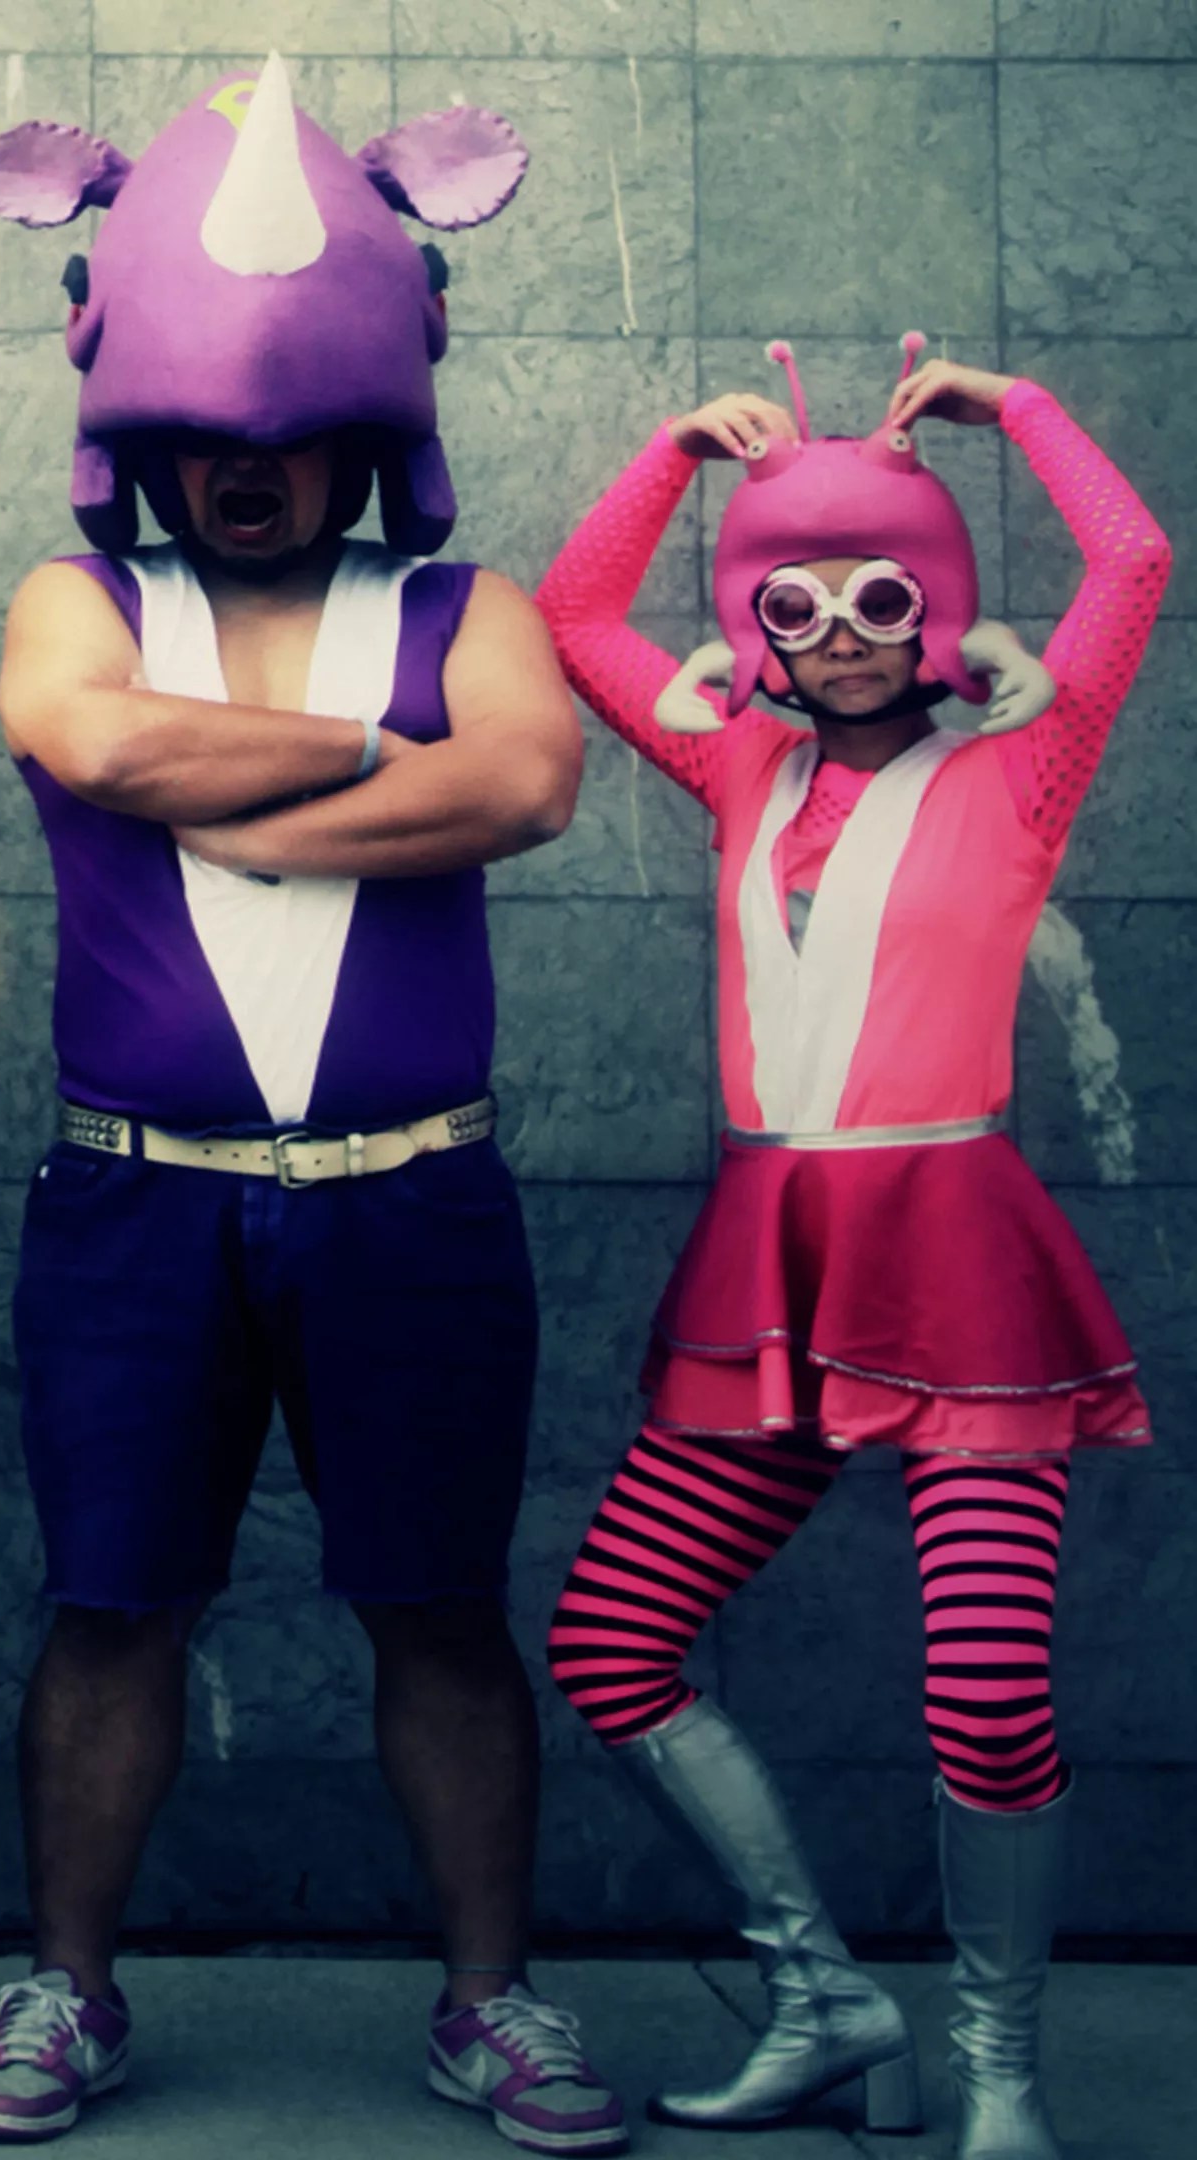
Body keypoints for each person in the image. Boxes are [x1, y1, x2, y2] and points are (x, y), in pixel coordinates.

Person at [0, 57, 619, 2154]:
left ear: (368, 427)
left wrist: (228, 786)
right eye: (209, 446)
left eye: (289, 440)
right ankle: (66, 1991)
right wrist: (373, 762)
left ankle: (491, 2005)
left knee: (440, 1606)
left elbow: (527, 779)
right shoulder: (77, 602)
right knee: (111, 1604)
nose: (247, 475)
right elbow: (85, 741)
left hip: (409, 1201)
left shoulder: (467, 610)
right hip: (134, 1201)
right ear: (143, 434)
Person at [535, 339, 1168, 2158]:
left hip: (957, 1259)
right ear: (759, 624)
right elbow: (578, 616)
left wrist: (1015, 410)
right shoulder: (739, 764)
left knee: (987, 1698)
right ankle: (826, 2002)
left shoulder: (1025, 763)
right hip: (774, 1259)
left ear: (937, 608)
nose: (845, 633)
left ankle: (999, 2072)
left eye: (884, 596)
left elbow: (1132, 563)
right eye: (798, 604)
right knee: (614, 1640)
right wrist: (670, 454)